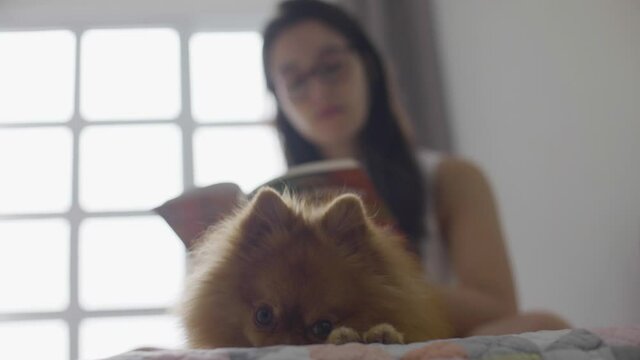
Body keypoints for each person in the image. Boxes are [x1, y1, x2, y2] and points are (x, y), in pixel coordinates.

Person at [260, 0, 570, 338]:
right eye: (296, 82)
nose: (319, 91)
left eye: (332, 67)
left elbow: (496, 307)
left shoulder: (452, 178)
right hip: (316, 341)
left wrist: (374, 287)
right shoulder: (275, 205)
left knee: (544, 326)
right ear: (280, 100)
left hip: (433, 340)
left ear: (368, 66)